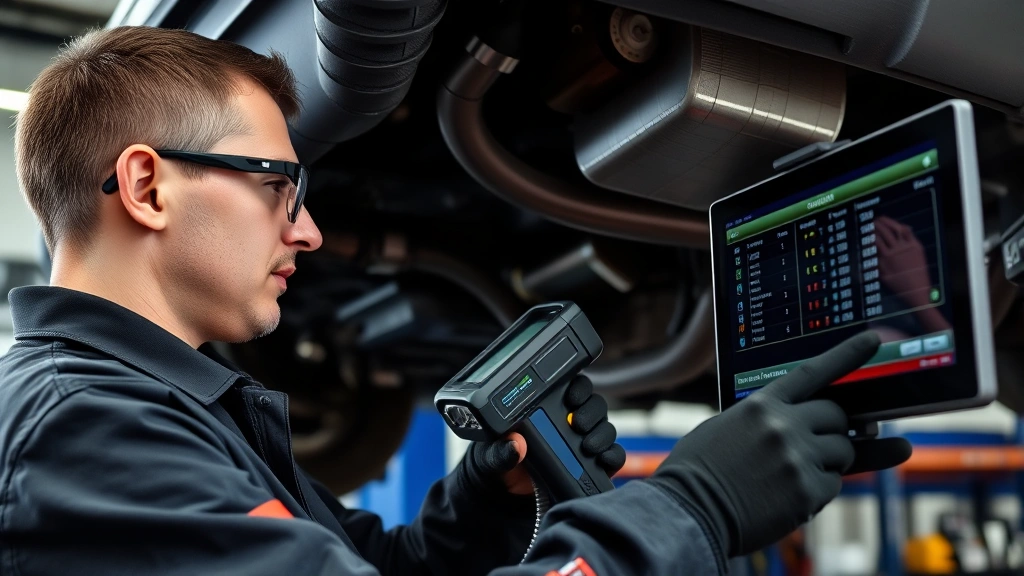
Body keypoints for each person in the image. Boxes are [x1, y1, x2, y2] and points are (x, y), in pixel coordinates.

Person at [0, 26, 912, 575]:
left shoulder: (167, 410)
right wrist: (694, 508)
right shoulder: (85, 427)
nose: (309, 231)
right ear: (149, 187)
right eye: (279, 184)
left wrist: (480, 503)